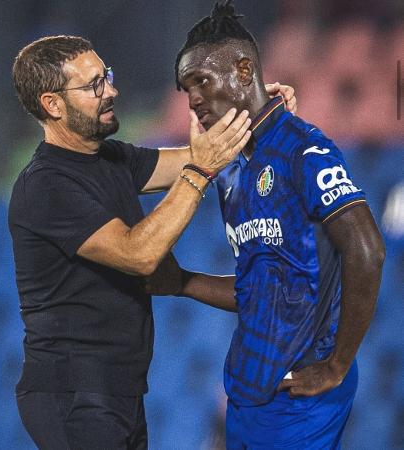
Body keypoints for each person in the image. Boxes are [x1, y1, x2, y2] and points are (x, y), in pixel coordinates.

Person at [9, 35, 295, 449]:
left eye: (106, 76)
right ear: (53, 104)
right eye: (93, 85)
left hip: (115, 391)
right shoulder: (47, 185)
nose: (112, 90)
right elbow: (138, 254)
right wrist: (200, 171)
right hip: (73, 394)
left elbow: (210, 151)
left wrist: (253, 109)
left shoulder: (109, 159)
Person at [148, 1, 386, 449]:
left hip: (300, 397)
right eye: (185, 89)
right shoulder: (232, 172)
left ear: (243, 71)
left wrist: (336, 365)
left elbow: (368, 250)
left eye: (201, 80)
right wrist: (181, 282)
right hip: (246, 392)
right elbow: (260, 289)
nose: (194, 98)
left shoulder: (306, 151)